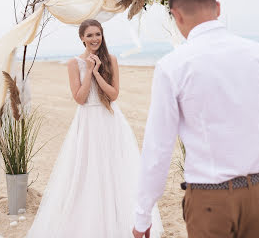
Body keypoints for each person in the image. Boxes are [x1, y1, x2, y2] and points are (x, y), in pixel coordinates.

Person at [132, 0, 259, 238]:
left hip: (209, 198)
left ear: (176, 16)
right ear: (218, 8)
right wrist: (246, 134)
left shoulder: (172, 66)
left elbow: (158, 148)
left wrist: (142, 214)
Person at [26, 19, 163, 238]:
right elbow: (79, 98)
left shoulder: (111, 60)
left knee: (115, 169)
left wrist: (98, 72)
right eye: (89, 35)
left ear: (102, 35)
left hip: (110, 120)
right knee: (87, 170)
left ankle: (119, 220)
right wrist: (88, 71)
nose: (94, 39)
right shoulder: (74, 63)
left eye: (97, 34)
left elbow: (114, 94)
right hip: (87, 121)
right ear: (82, 38)